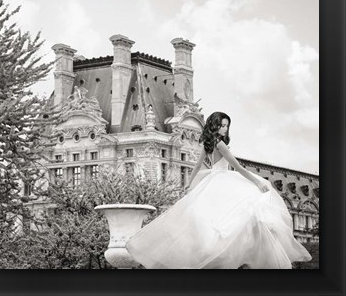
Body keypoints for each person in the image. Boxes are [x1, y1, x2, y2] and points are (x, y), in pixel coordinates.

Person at [125, 111, 312, 269]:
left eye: (227, 126)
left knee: (216, 221)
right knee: (247, 212)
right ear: (216, 126)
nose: (225, 129)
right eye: (223, 125)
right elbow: (238, 167)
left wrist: (188, 186)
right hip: (223, 179)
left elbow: (197, 166)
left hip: (211, 181)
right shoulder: (220, 144)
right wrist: (258, 183)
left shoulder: (208, 144)